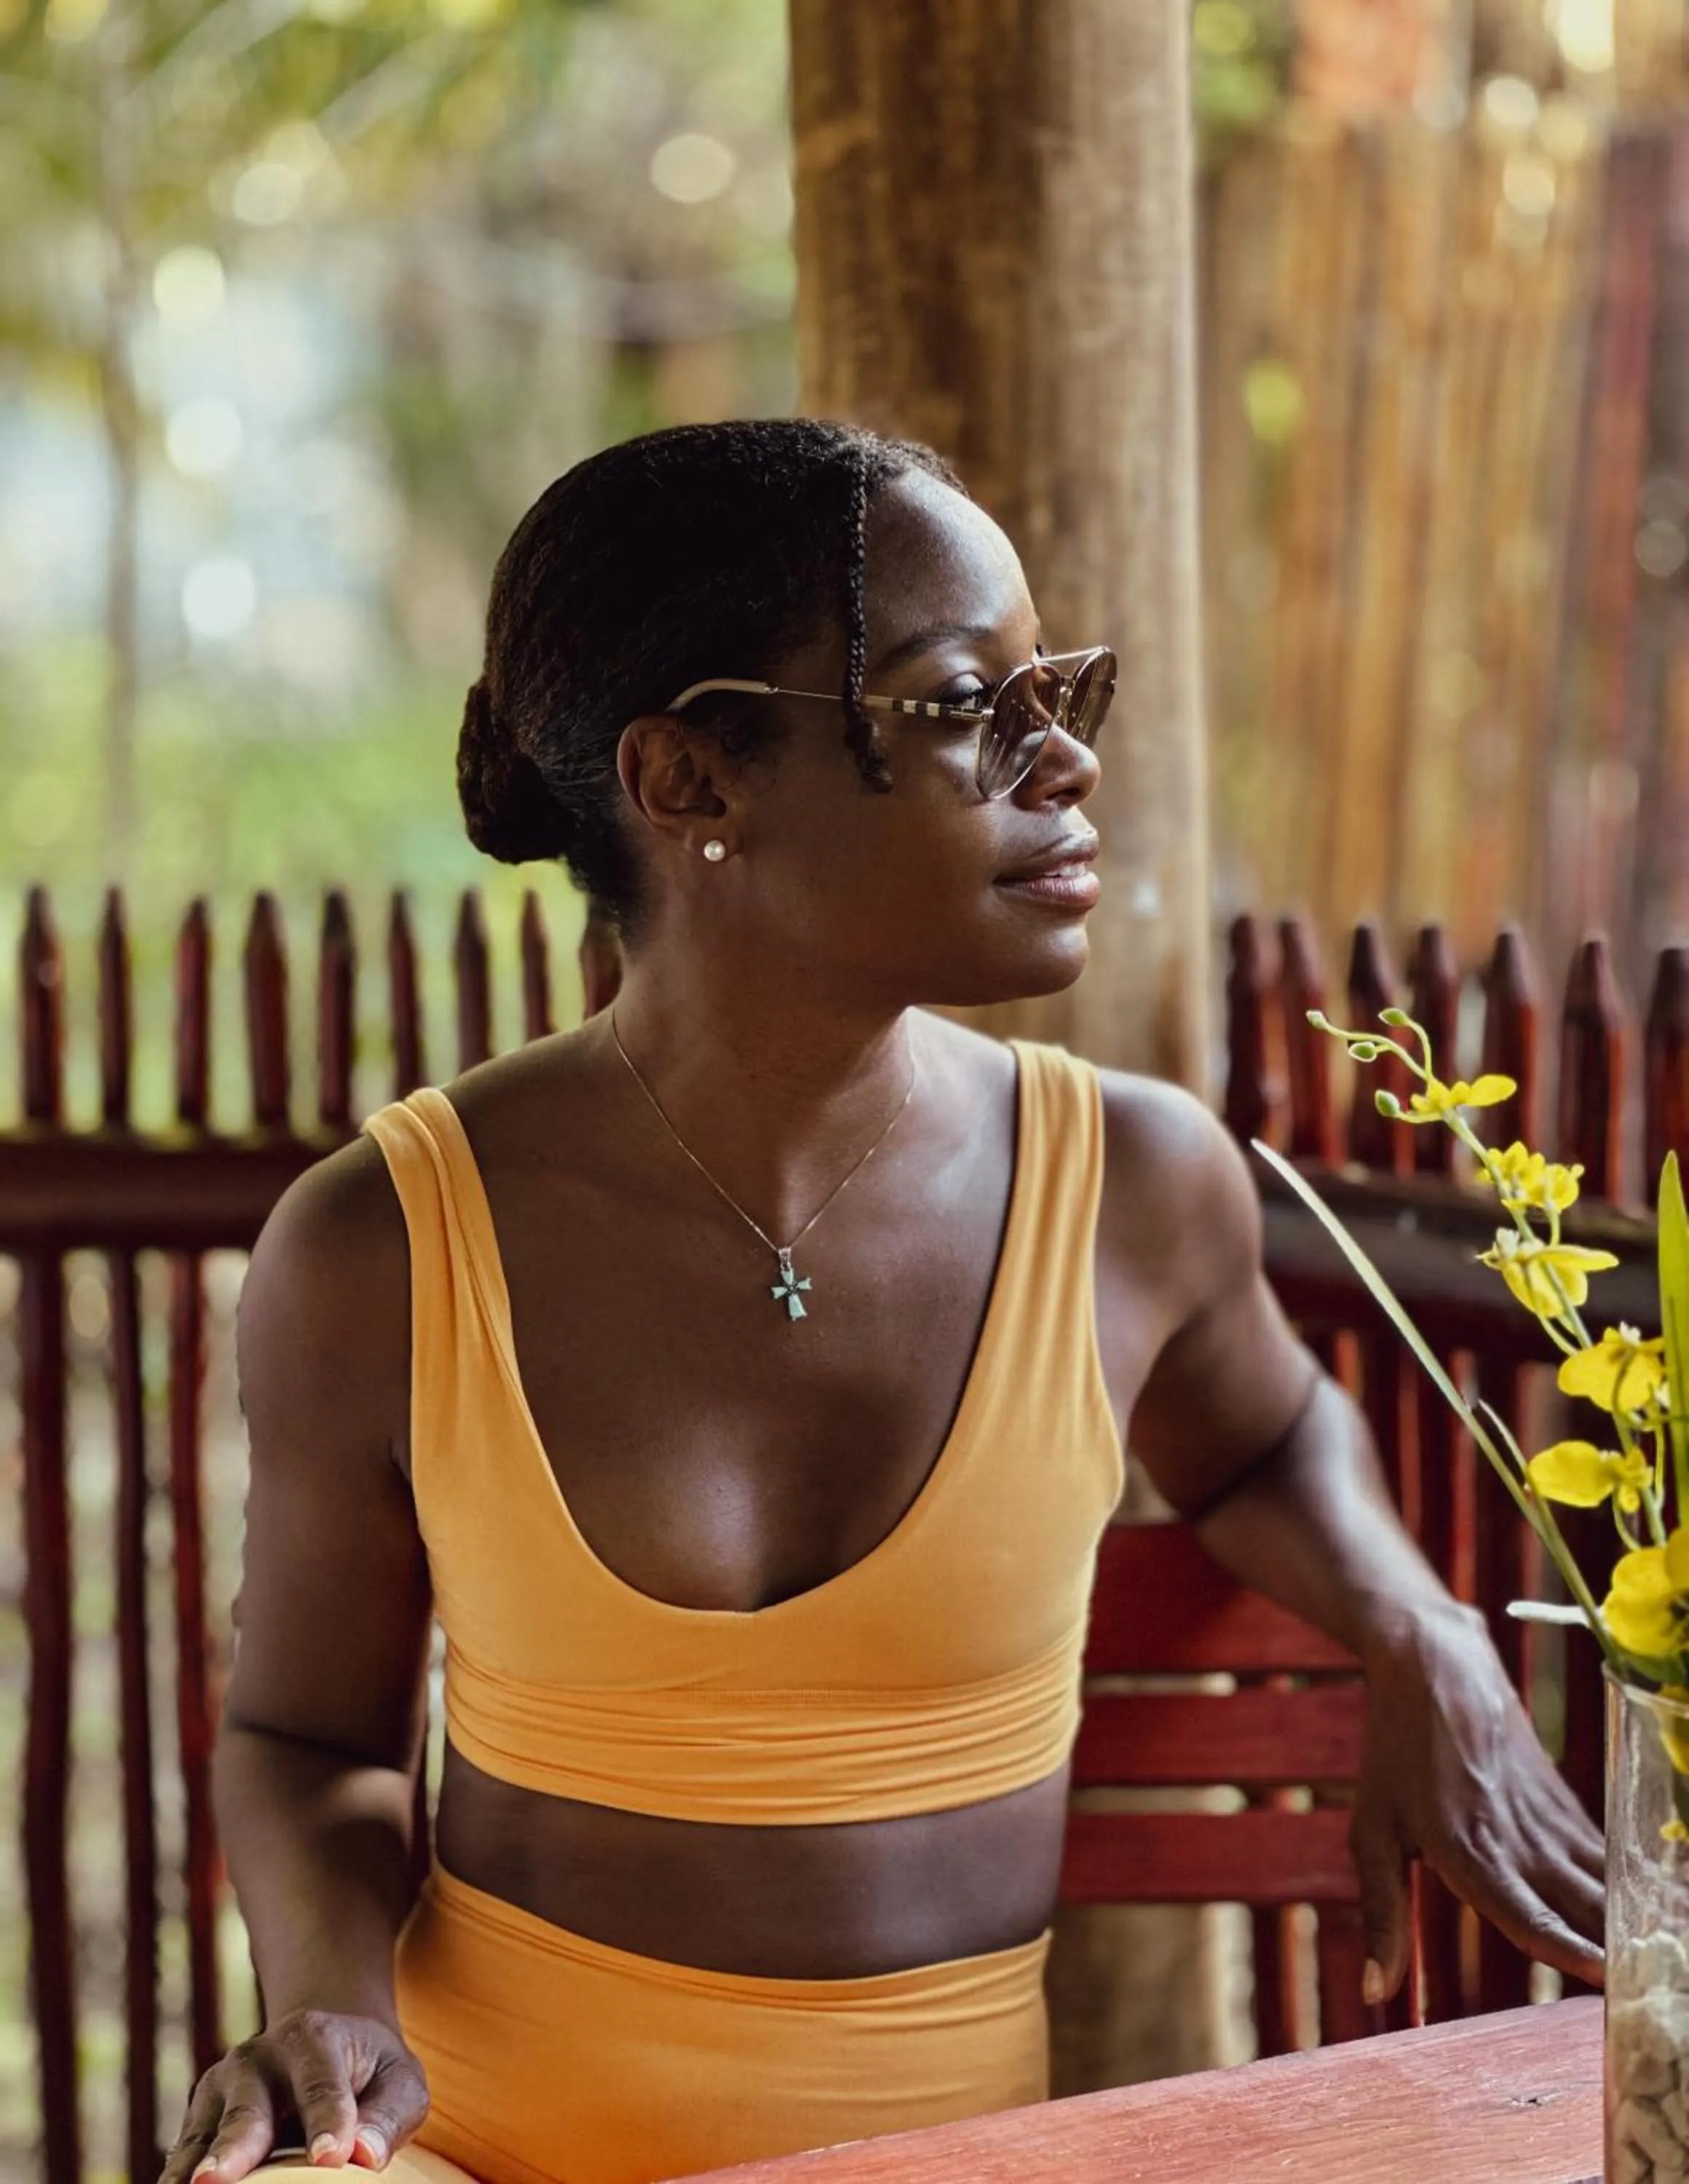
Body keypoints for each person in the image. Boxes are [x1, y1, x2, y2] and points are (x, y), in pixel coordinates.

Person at [160, 419, 1603, 2184]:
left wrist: (1420, 1631)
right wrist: (329, 2013)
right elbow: (308, 1735)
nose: (1059, 760)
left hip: (952, 2160)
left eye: (1054, 688)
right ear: (690, 784)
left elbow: (1265, 1435)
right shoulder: (386, 1242)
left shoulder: (1126, 1191)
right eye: (956, 705)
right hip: (467, 2154)